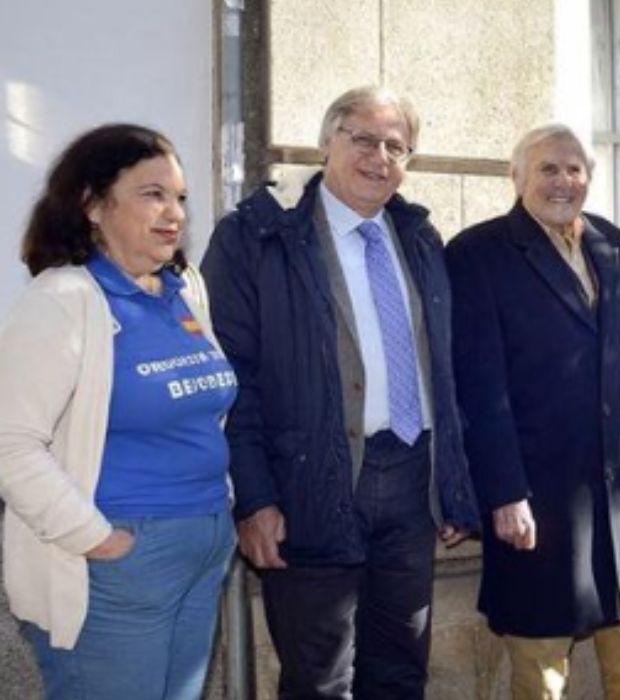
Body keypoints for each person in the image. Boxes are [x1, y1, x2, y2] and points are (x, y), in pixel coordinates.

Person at [202, 86, 478, 698]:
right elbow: (231, 379)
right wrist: (254, 498)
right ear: (327, 141)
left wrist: (451, 486)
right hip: (311, 484)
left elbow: (448, 371)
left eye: (396, 146)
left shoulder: (420, 239)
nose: (379, 157)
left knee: (401, 671)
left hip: (409, 480)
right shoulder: (258, 236)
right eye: (363, 138)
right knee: (320, 681)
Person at [0, 124, 236, 699]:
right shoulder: (62, 300)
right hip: (118, 562)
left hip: (202, 550)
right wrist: (97, 539)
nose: (174, 213)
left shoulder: (184, 291)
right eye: (152, 194)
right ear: (92, 204)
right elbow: (10, 443)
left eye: (180, 197)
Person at [446, 123, 620, 699]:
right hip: (537, 495)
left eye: (575, 169)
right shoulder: (477, 253)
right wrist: (505, 493)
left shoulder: (611, 244)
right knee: (541, 665)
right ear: (517, 178)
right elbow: (480, 386)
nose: (563, 181)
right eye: (548, 169)